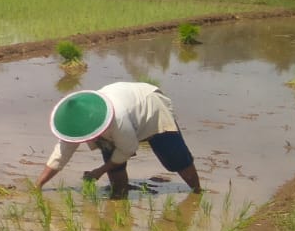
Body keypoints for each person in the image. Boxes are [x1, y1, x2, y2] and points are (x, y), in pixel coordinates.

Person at [35, 82, 203, 199]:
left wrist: (99, 171)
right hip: (124, 110)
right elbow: (61, 154)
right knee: (111, 156)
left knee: (175, 158)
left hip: (152, 108)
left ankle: (197, 192)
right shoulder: (77, 122)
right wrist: (39, 184)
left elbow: (128, 149)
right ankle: (119, 196)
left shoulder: (117, 118)